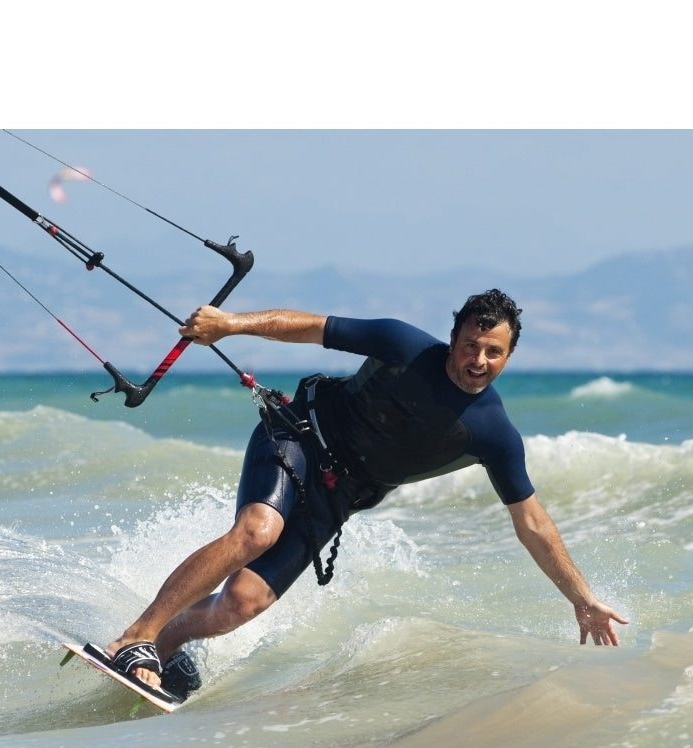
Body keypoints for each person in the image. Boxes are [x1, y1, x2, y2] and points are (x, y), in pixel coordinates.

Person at [100, 289, 629, 700]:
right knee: (258, 531)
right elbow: (311, 327)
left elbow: (533, 523)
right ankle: (135, 637)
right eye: (471, 345)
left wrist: (582, 600)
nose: (479, 360)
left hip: (340, 494)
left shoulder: (493, 433)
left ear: (509, 356)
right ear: (453, 338)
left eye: (494, 352)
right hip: (300, 435)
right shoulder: (403, 346)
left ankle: (167, 645)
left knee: (241, 604)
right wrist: (231, 325)